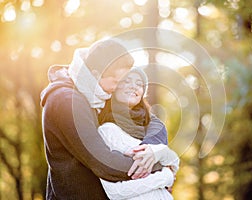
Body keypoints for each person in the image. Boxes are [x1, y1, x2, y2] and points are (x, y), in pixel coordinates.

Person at [40, 39, 169, 199]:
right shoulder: (67, 102)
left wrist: (153, 150)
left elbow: (149, 118)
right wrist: (158, 166)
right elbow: (104, 162)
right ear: (96, 74)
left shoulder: (96, 91)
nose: (118, 87)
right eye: (116, 81)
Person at [97, 67, 180, 199]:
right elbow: (114, 192)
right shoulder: (107, 130)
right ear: (114, 87)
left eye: (139, 84)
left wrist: (161, 153)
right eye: (126, 81)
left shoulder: (150, 129)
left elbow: (173, 159)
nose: (133, 86)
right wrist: (166, 177)